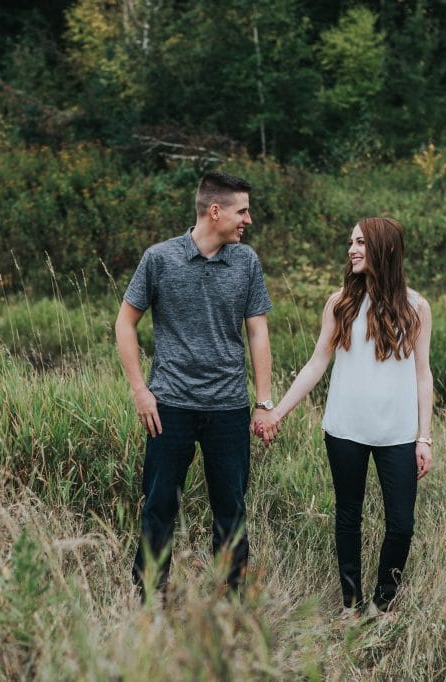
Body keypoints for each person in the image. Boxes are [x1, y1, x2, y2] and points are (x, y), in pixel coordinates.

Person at [254, 216, 433, 618]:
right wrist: (277, 411)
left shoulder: (416, 307)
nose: (352, 249)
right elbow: (316, 364)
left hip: (398, 434)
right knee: (349, 517)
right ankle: (352, 606)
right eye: (351, 243)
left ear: (384, 249)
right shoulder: (340, 304)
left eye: (361, 243)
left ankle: (381, 605)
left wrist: (424, 437)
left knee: (401, 524)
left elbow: (424, 374)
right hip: (345, 430)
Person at [115, 171, 278, 600]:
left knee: (231, 511)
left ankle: (237, 603)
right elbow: (125, 323)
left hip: (228, 407)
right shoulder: (160, 259)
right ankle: (149, 600)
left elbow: (258, 332)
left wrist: (263, 402)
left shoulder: (246, 262)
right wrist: (139, 390)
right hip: (169, 405)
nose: (249, 219)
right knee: (159, 507)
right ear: (215, 211)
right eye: (242, 211)